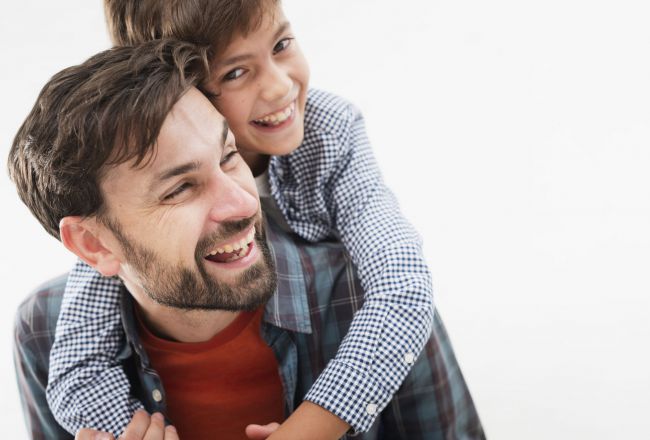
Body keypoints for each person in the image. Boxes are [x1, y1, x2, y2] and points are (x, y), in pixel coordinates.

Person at [10, 40, 484, 439]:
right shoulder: (43, 333)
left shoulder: (362, 300)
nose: (242, 204)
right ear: (94, 245)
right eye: (181, 188)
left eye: (230, 156)